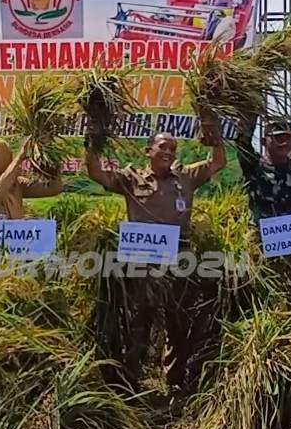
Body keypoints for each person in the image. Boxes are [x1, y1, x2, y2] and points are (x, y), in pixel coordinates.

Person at [85, 121, 226, 395]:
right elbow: (95, 172)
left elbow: (217, 162)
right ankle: (131, 385)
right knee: (139, 323)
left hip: (180, 263)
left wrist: (214, 136)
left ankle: (174, 384)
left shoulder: (185, 177)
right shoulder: (131, 178)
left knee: (178, 322)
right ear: (147, 150)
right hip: (140, 265)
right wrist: (92, 141)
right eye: (163, 146)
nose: (169, 152)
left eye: (173, 148)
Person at [0, 136, 63, 253]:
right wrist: (19, 158)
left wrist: (51, 164)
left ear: (4, 157)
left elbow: (53, 189)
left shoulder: (16, 184)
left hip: (15, 249)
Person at [237, 118, 291, 222]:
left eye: (287, 138)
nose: (284, 143)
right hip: (262, 235)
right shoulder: (254, 168)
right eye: (278, 138)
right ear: (264, 141)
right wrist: (250, 113)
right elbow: (242, 142)